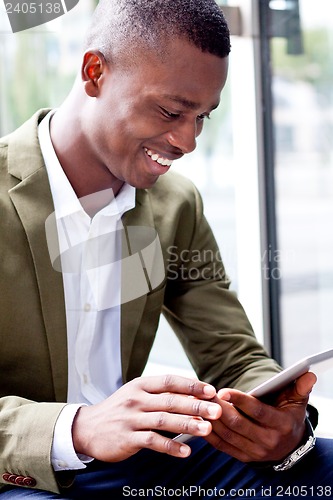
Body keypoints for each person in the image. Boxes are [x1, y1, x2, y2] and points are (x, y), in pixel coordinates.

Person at [0, 0, 332, 498]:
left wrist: (279, 416)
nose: (188, 140)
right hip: (23, 472)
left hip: (146, 461)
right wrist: (79, 427)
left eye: (202, 116)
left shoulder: (174, 205)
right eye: (172, 111)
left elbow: (232, 355)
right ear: (95, 72)